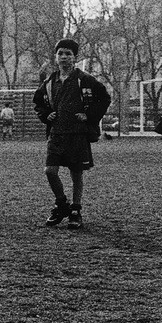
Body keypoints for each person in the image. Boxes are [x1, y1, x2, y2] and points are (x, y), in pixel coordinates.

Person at [32, 38, 111, 231]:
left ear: (75, 57)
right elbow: (38, 103)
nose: (64, 57)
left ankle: (75, 211)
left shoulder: (84, 79)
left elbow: (104, 98)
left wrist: (89, 115)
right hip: (56, 133)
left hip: (77, 134)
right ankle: (62, 205)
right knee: (50, 171)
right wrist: (45, 115)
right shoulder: (50, 81)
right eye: (61, 53)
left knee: (76, 173)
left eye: (68, 54)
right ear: (55, 57)